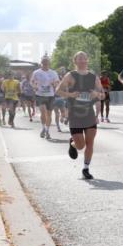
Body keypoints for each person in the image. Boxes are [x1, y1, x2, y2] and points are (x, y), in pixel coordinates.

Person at [57, 51, 102, 179]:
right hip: (75, 115)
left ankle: (86, 169)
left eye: (84, 58)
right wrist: (70, 94)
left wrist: (96, 94)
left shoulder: (94, 77)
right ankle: (72, 143)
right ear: (75, 61)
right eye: (79, 58)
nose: (82, 60)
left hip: (89, 115)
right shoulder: (70, 76)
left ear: (87, 60)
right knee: (81, 145)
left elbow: (103, 95)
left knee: (90, 143)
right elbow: (58, 91)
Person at [31, 57, 60, 139]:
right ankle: (43, 128)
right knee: (43, 112)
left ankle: (47, 130)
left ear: (49, 64)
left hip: (50, 95)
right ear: (41, 63)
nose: (45, 65)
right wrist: (34, 87)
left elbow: (57, 82)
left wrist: (54, 84)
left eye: (47, 63)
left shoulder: (53, 72)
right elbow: (32, 81)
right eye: (44, 63)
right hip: (40, 95)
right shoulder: (36, 72)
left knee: (49, 114)